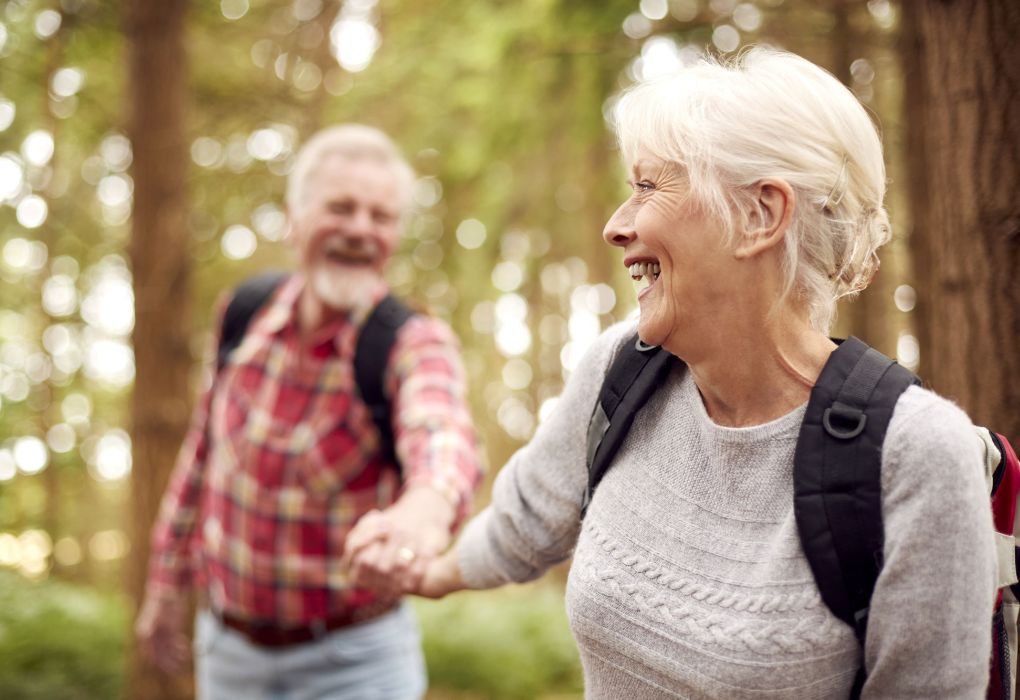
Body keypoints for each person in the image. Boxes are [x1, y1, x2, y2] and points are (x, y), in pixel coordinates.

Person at [400, 50, 997, 698]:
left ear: (760, 216)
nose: (614, 225)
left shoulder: (917, 456)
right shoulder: (621, 372)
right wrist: (420, 570)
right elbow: (526, 517)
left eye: (648, 188)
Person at [135, 124, 483, 699]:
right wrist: (164, 586)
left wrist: (420, 516)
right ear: (294, 219)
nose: (360, 230)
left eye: (381, 217)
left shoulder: (410, 343)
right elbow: (201, 458)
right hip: (228, 653)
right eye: (341, 208)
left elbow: (442, 438)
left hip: (357, 663)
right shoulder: (243, 314)